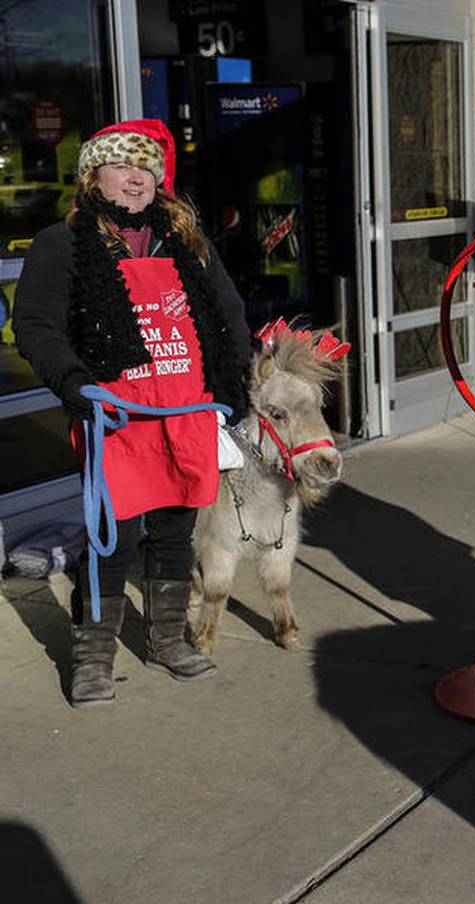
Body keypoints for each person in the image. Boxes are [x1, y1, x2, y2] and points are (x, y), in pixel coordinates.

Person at [13, 119, 252, 707]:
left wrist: (234, 382)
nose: (137, 179)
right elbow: (36, 325)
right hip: (114, 421)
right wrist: (76, 384)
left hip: (187, 413)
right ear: (94, 175)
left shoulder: (183, 239)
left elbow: (229, 313)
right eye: (123, 167)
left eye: (146, 168)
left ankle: (168, 639)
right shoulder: (62, 243)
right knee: (111, 540)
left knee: (173, 534)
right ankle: (93, 655)